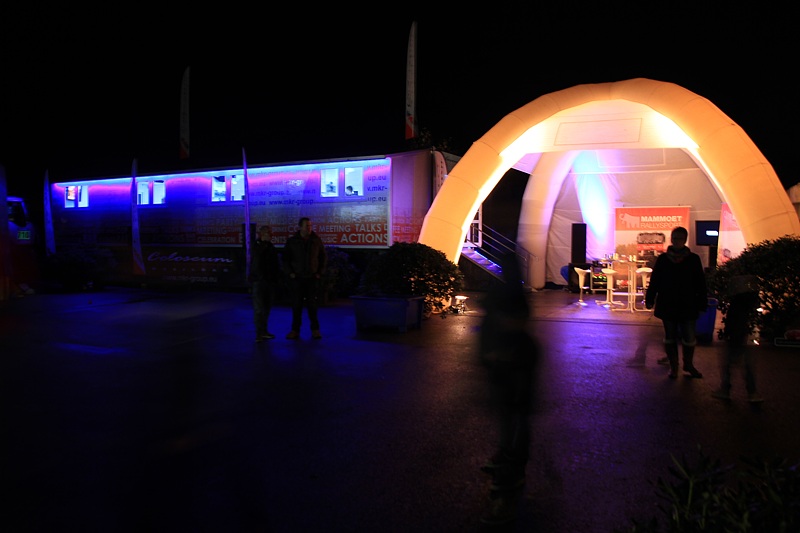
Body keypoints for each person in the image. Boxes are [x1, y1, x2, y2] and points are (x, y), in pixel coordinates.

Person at [477, 252, 541, 525]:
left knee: (513, 418)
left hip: (510, 365)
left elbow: (510, 323)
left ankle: (509, 472)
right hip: (512, 365)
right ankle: (510, 463)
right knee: (514, 417)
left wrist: (492, 353)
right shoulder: (514, 292)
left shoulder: (505, 293)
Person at [645, 226, 707, 379]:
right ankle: (675, 366)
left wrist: (702, 301)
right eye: (674, 238)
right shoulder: (664, 259)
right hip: (672, 303)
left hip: (685, 303)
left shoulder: (692, 259)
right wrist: (650, 298)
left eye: (679, 238)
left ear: (684, 240)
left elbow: (700, 282)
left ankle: (687, 364)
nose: (676, 241)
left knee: (688, 337)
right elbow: (655, 281)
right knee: (671, 336)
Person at [712, 275, 764, 402]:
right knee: (748, 363)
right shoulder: (752, 300)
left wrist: (728, 334)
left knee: (728, 362)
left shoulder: (737, 303)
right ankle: (752, 392)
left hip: (737, 334)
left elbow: (733, 320)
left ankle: (725, 389)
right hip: (749, 334)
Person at [282, 217, 327, 339]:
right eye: (307, 226)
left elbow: (323, 257)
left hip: (312, 277)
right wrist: (290, 273)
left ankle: (315, 329)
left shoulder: (316, 240)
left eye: (310, 226)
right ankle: (295, 330)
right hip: (297, 278)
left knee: (312, 305)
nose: (309, 228)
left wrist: (319, 273)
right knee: (297, 305)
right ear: (300, 227)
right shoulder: (292, 241)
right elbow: (285, 259)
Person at [249, 225, 281, 342]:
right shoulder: (257, 246)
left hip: (268, 281)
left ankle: (263, 331)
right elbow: (257, 261)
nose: (271, 235)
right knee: (259, 308)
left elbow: (274, 264)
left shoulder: (270, 246)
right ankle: (259, 333)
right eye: (268, 233)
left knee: (266, 308)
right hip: (259, 281)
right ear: (262, 234)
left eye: (271, 232)